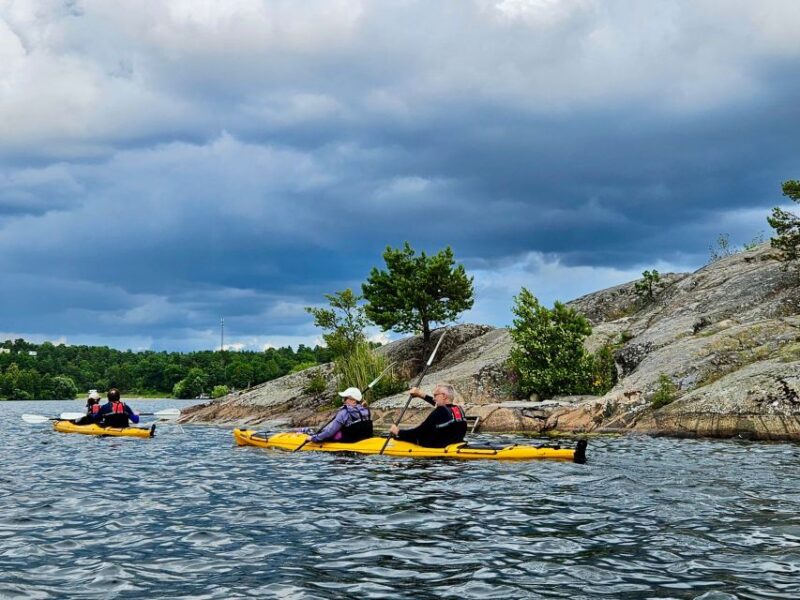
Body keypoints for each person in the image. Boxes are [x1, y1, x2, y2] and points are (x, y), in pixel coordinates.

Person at [389, 383, 467, 447]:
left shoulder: (440, 411)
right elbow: (442, 406)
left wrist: (398, 432)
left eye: (435, 395)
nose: (433, 398)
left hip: (436, 447)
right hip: (457, 443)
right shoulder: (458, 409)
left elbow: (418, 432)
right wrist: (420, 394)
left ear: (444, 396)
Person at [307, 387, 373, 443]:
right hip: (365, 439)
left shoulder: (344, 412)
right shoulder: (366, 409)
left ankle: (312, 434)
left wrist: (314, 438)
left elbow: (330, 432)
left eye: (345, 398)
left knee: (327, 433)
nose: (343, 400)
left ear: (353, 400)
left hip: (350, 441)